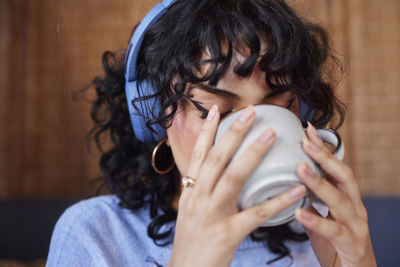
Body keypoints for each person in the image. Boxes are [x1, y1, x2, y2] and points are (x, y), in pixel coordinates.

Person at [46, 0, 377, 266]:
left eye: (280, 105)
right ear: (155, 111)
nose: (255, 137)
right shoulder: (95, 235)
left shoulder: (320, 236)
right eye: (215, 110)